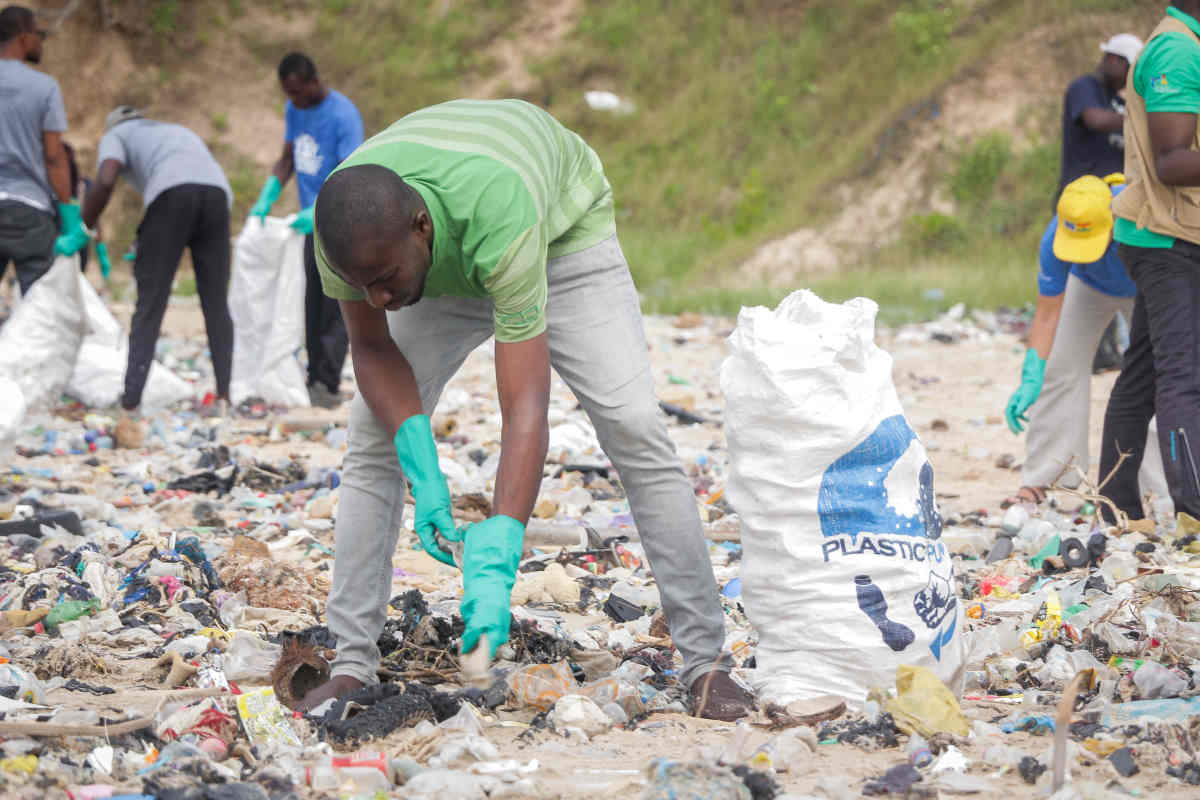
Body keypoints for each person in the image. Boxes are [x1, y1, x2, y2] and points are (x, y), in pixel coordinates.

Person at [295, 99, 754, 721]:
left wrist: (499, 550)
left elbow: (525, 405)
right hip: (434, 263)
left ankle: (706, 664)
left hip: (559, 240)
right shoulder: (349, 237)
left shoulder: (496, 205)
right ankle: (351, 662)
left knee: (633, 426)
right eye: (362, 285)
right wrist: (420, 461)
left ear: (421, 226)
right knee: (373, 442)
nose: (376, 297)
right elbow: (372, 347)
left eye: (382, 279)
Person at [1005, 174, 1168, 511]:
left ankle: (1159, 491)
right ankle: (1047, 478)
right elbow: (1047, 313)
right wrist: (1032, 372)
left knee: (1155, 376)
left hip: (1147, 286)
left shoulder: (1141, 216)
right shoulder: (1055, 234)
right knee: (1059, 367)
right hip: (1089, 285)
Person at [1101, 1, 1200, 523]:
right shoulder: (1178, 49)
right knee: (1183, 377)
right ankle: (1194, 511)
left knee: (1141, 374)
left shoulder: (1187, 43)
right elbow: (1172, 162)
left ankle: (1115, 508)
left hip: (1172, 233)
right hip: (1166, 238)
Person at [81, 107, 234, 436]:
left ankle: (130, 404)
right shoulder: (175, 132)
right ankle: (224, 398)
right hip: (218, 198)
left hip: (172, 196)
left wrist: (84, 225)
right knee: (216, 303)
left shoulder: (117, 134)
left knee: (150, 304)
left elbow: (106, 179)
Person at [250, 52, 363, 409]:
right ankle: (313, 378)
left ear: (314, 82)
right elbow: (287, 158)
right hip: (309, 223)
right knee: (311, 303)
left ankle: (327, 384)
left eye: (298, 92)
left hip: (338, 220)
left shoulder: (343, 115)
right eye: (288, 93)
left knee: (333, 305)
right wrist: (267, 196)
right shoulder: (294, 109)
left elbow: (350, 172)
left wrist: (319, 210)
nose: (293, 100)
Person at [0, 4, 88, 295]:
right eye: (40, 35)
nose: (41, 42)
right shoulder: (44, 87)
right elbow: (53, 157)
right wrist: (69, 214)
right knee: (40, 304)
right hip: (31, 211)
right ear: (24, 37)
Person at [1056, 33, 1144, 203]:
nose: (1132, 76)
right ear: (1113, 59)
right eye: (1130, 68)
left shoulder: (1119, 102)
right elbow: (1095, 120)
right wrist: (1142, 119)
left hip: (1112, 197)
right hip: (1081, 200)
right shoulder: (1084, 87)